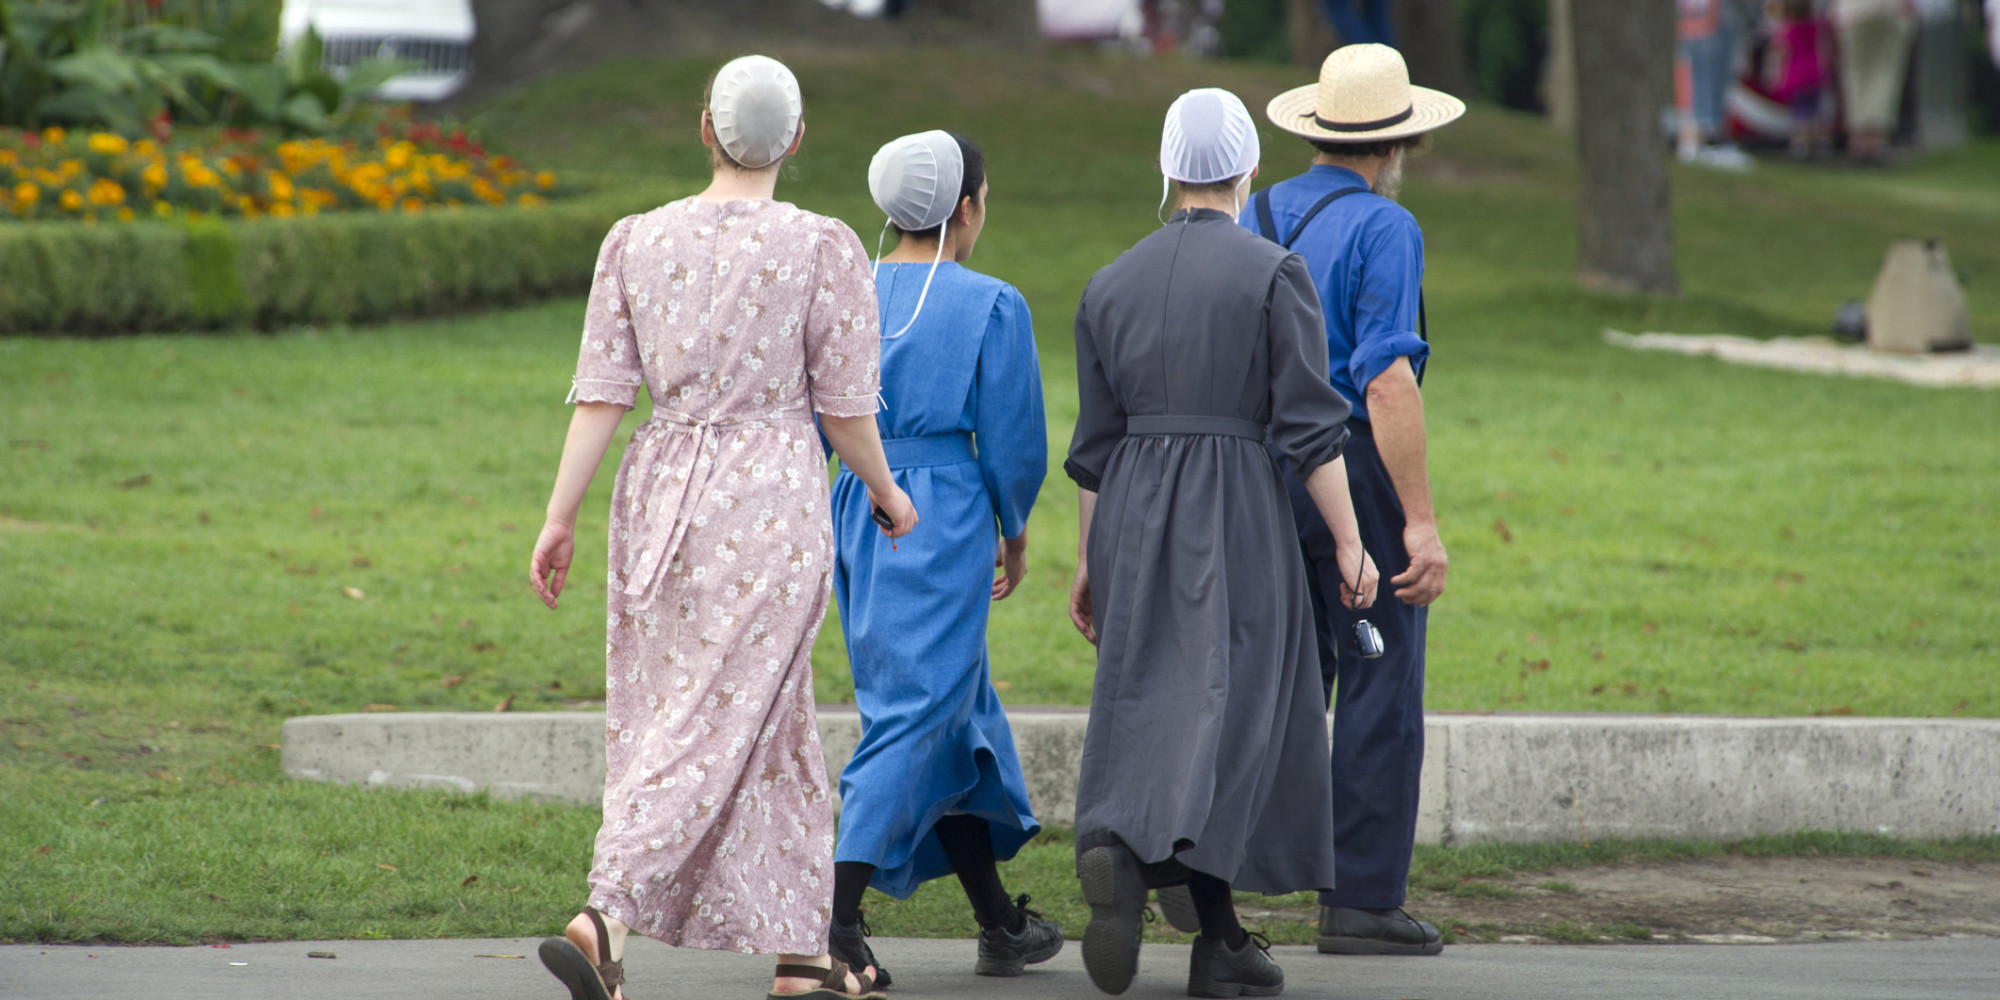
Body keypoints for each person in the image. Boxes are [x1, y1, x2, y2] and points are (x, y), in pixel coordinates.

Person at [526, 54, 917, 1000]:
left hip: (658, 494)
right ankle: (605, 913)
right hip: (769, 495)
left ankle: (802, 954)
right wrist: (889, 493)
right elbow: (847, 408)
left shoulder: (635, 240)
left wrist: (559, 515)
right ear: (796, 139)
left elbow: (601, 394)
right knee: (711, 719)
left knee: (761, 716)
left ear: (705, 128)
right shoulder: (822, 247)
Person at [1064, 87, 1380, 999]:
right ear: (1248, 170)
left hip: (1130, 508)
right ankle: (1204, 924)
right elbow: (1311, 432)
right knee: (1245, 707)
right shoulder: (1275, 271)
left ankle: (1130, 851)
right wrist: (1352, 544)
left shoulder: (1108, 282)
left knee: (1148, 692)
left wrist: (1088, 561)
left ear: (1166, 171)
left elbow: (1091, 449)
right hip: (1236, 504)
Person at [824, 130, 1063, 984]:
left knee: (953, 709)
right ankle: (834, 919)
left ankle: (998, 922)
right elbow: (1013, 433)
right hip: (940, 507)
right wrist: (1013, 521)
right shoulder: (990, 301)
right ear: (967, 207)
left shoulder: (845, 286)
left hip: (856, 494)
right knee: (919, 708)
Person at [1245, 42, 1459, 957]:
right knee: (1377, 669)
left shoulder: (1253, 211)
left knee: (1278, 680)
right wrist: (1418, 520)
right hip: (1354, 470)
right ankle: (1362, 899)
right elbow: (1386, 385)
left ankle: (1223, 871)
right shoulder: (1386, 228)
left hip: (1258, 468)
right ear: (1396, 142)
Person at [1832, 0, 1918, 161]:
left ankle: (1860, 134)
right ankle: (1875, 135)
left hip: (1854, 11)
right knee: (1885, 71)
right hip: (1891, 9)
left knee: (1856, 72)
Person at [1677, 0, 1757, 171]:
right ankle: (1709, 141)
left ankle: (1697, 142)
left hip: (1696, 23)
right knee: (1710, 83)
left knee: (1701, 83)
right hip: (1714, 21)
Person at [1767, 0, 1830, 158]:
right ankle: (1819, 141)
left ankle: (1800, 143)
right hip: (1814, 72)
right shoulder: (1815, 26)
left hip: (1797, 74)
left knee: (1800, 112)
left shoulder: (1788, 28)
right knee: (1814, 110)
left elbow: (1781, 51)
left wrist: (1776, 74)